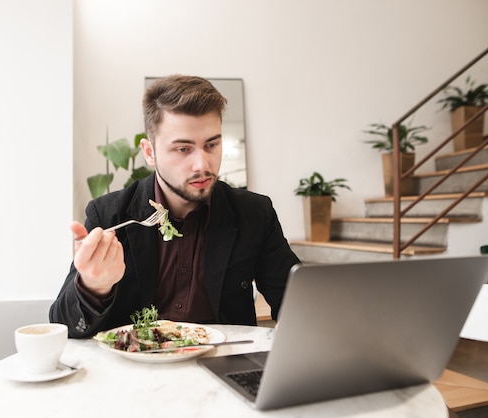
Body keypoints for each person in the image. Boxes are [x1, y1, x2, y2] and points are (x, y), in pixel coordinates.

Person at [49, 74, 301, 338]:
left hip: (224, 365)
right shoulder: (110, 214)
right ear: (149, 153)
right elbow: (62, 325)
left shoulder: (253, 213)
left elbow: (294, 301)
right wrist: (93, 287)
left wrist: (297, 323)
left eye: (211, 144)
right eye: (183, 149)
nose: (202, 165)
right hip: (135, 372)